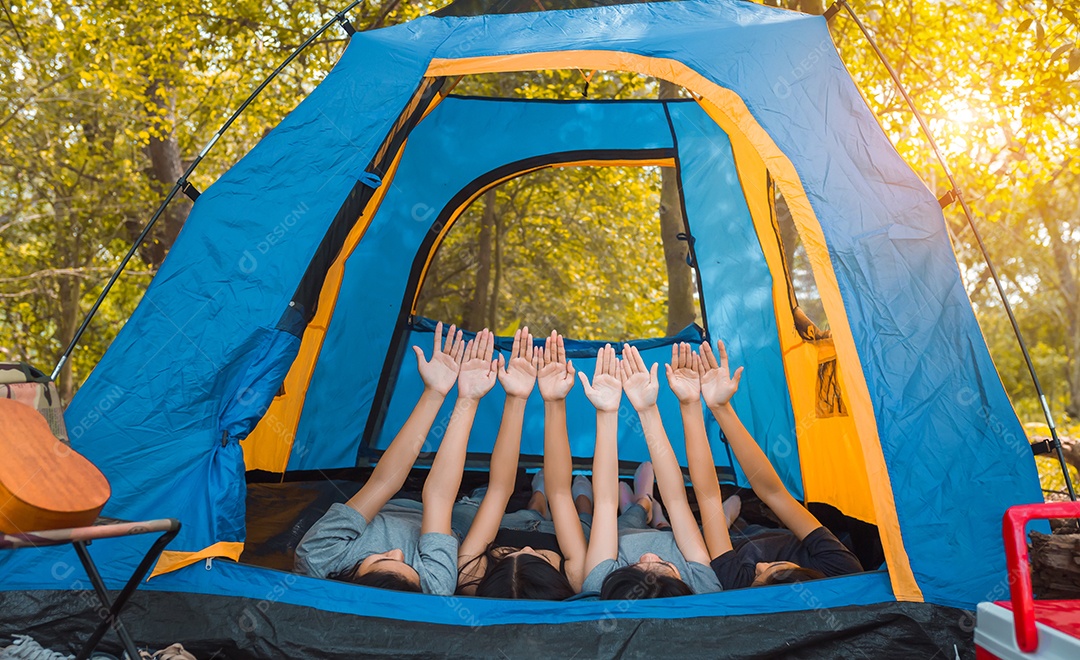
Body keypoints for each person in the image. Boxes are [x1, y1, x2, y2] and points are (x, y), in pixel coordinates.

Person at [294, 323, 500, 594]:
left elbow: (382, 483)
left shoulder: (319, 558)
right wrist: (468, 399)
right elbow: (438, 498)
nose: (397, 552)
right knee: (483, 501)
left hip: (393, 505)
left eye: (381, 558)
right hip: (450, 522)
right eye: (408, 566)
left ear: (350, 577)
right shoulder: (435, 587)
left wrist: (435, 393)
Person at [685, 340, 864, 589]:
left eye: (758, 577)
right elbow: (774, 493)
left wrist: (690, 403)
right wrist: (721, 408)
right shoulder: (840, 569)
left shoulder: (738, 583)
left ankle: (727, 519)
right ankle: (732, 515)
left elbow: (708, 499)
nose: (761, 566)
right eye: (775, 567)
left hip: (739, 542)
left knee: (713, 527)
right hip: (773, 533)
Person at [457, 330, 593, 599]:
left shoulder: (470, 579)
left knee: (534, 506)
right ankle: (576, 497)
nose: (528, 549)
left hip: (515, 521)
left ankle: (537, 495)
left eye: (507, 554)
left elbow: (499, 489)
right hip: (565, 532)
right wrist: (555, 402)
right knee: (583, 514)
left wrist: (516, 398)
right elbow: (561, 492)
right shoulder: (578, 582)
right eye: (541, 557)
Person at [581, 343, 722, 599]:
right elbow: (677, 501)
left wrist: (607, 411)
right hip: (672, 532)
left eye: (635, 566)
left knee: (626, 515)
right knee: (716, 512)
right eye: (664, 564)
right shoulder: (703, 587)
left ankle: (641, 503)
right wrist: (647, 410)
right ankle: (648, 504)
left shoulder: (599, 586)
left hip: (622, 531)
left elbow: (603, 503)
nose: (647, 556)